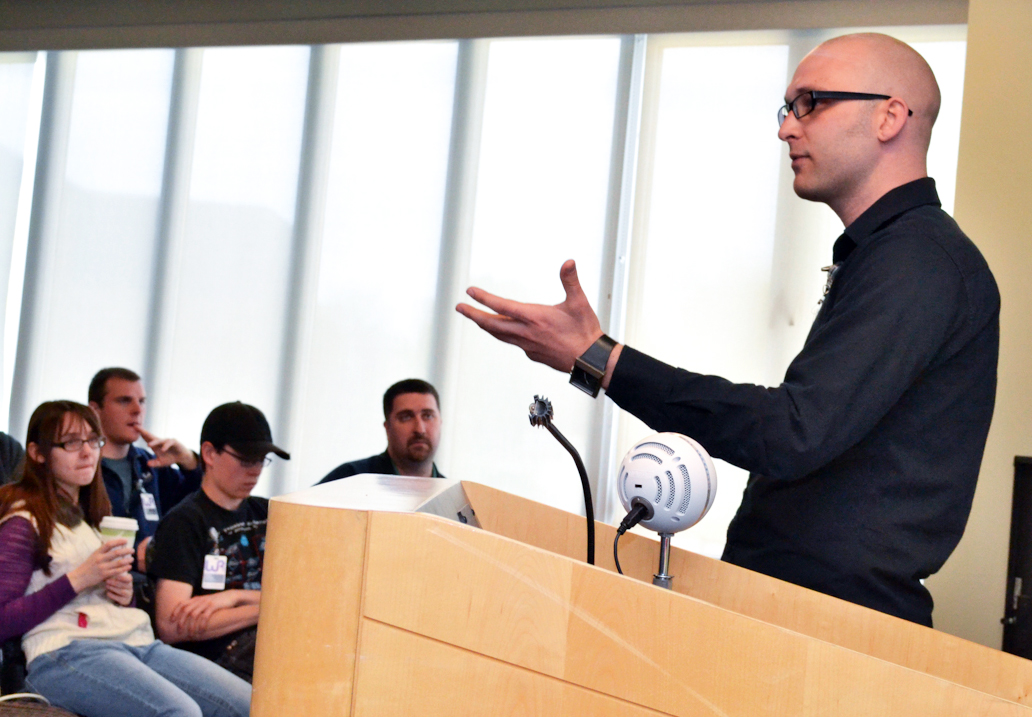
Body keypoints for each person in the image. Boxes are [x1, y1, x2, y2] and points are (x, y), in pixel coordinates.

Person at [456, 33, 999, 627]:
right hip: (799, 617)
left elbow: (792, 433)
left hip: (834, 632)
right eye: (787, 108)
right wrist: (598, 359)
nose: (787, 128)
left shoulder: (919, 260)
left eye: (810, 103)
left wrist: (603, 360)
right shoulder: (890, 255)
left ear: (890, 116)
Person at [0, 400, 251, 717]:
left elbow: (104, 602)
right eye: (71, 443)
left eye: (93, 440)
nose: (88, 452)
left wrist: (124, 595)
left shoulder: (91, 517)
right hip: (64, 651)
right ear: (38, 453)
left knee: (251, 705)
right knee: (179, 712)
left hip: (136, 641)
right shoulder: (24, 521)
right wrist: (79, 579)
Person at [149, 402, 289, 682]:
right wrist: (266, 608)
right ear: (210, 454)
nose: (256, 471)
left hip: (273, 640)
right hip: (216, 659)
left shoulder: (272, 513)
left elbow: (303, 596)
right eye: (246, 459)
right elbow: (171, 624)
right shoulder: (185, 521)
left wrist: (232, 598)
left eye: (262, 460)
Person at [88, 367, 202, 572]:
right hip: (97, 583)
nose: (137, 410)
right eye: (124, 400)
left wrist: (188, 461)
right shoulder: (82, 466)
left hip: (149, 588)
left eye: (141, 401)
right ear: (95, 410)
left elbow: (197, 504)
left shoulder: (150, 464)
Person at [318, 379, 445, 483]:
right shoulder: (349, 480)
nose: (419, 429)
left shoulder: (455, 499)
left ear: (440, 422)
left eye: (428, 416)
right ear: (387, 427)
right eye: (406, 417)